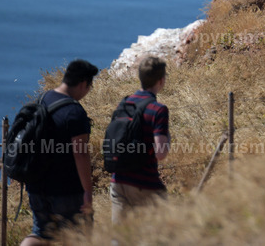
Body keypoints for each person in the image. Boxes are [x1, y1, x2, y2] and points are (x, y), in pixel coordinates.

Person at [21, 59, 99, 245]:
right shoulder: (74, 112)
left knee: (40, 234)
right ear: (82, 84)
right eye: (89, 87)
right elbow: (81, 153)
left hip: (37, 185)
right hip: (66, 189)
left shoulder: (42, 99)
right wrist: (88, 191)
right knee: (80, 237)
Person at [110, 55, 171, 225]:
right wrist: (168, 138)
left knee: (120, 238)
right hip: (144, 182)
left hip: (118, 181)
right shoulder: (158, 109)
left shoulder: (124, 104)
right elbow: (161, 153)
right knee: (161, 232)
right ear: (161, 80)